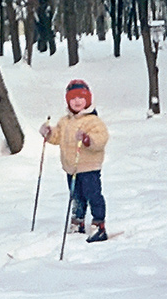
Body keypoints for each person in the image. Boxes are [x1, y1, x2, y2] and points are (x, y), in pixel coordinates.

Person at [40, 79, 109, 243]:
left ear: (88, 100)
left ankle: (98, 224)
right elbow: (57, 137)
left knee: (93, 195)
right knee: (76, 196)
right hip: (71, 168)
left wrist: (87, 139)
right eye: (73, 98)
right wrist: (48, 133)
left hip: (89, 167)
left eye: (81, 98)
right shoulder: (65, 121)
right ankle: (77, 221)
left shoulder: (93, 121)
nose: (77, 101)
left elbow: (101, 139)